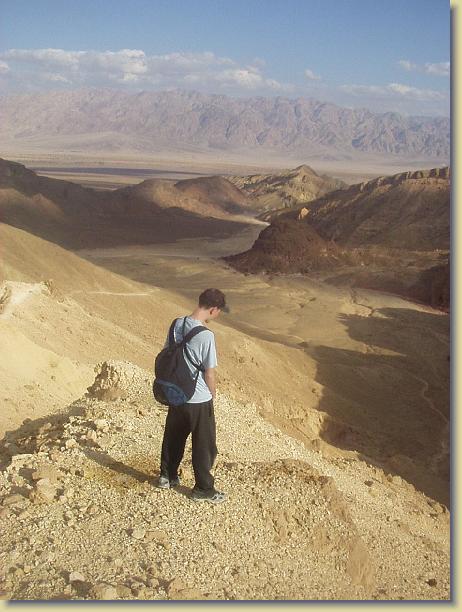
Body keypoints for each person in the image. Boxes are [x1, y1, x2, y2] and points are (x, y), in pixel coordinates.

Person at [157, 288, 229, 503]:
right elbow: (209, 372)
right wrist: (212, 394)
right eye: (219, 311)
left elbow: (167, 351)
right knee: (204, 444)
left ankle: (167, 476)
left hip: (176, 393)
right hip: (198, 399)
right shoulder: (206, 335)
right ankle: (203, 489)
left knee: (173, 436)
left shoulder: (177, 324)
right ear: (214, 309)